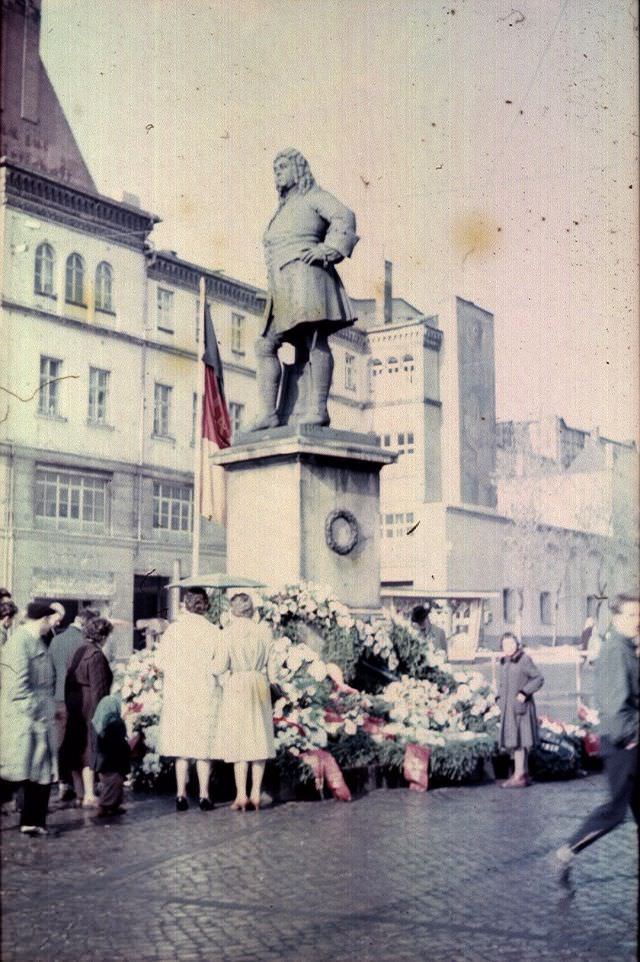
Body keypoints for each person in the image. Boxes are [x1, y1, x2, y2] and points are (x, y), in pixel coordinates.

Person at [250, 148, 359, 430]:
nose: (278, 174)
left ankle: (318, 408)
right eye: (275, 169)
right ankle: (268, 413)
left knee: (313, 340)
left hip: (308, 278)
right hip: (283, 286)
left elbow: (344, 216)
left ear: (298, 169)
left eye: (283, 167)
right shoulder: (284, 207)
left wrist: (330, 248)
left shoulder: (314, 197)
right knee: (265, 345)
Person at [554, 594, 639, 881]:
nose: (638, 621)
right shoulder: (617, 650)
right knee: (615, 810)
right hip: (624, 743)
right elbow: (616, 704)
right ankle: (567, 851)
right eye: (632, 615)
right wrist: (629, 735)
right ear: (616, 618)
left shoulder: (626, 647)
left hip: (628, 739)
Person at [156, 588, 223, 812]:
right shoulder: (214, 631)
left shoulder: (173, 631)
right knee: (203, 745)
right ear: (205, 605)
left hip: (179, 692)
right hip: (204, 691)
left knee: (182, 745)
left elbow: (161, 662)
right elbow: (219, 665)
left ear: (185, 604)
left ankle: (180, 794)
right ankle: (204, 794)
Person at [212, 593, 276, 811]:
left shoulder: (227, 633)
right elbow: (273, 669)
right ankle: (256, 793)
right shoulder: (264, 632)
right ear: (252, 610)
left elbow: (219, 666)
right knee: (258, 737)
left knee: (239, 738)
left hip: (237, 684)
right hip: (258, 682)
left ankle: (241, 795)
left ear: (232, 611)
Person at [0, 602, 58, 835]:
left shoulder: (36, 641)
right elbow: (17, 689)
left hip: (38, 718)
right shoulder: (19, 644)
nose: (52, 624)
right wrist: (37, 710)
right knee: (13, 774)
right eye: (50, 620)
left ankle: (32, 821)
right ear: (42, 620)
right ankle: (31, 820)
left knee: (40, 772)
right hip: (23, 720)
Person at [60, 616, 114, 807]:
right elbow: (100, 689)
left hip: (75, 703)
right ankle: (90, 794)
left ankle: (80, 793)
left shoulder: (78, 650)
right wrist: (104, 715)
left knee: (76, 749)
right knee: (90, 749)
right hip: (90, 705)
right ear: (103, 636)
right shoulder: (96, 655)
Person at [49, 608, 98, 800]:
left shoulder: (56, 640)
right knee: (79, 744)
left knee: (62, 742)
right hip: (77, 700)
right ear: (87, 624)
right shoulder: (84, 643)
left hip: (57, 698)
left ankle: (63, 783)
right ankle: (81, 788)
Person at [496, 631, 544, 788]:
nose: (508, 647)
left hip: (520, 707)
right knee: (515, 739)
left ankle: (519, 776)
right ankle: (523, 773)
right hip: (508, 708)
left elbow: (538, 678)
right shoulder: (504, 661)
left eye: (511, 643)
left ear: (517, 644)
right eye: (505, 644)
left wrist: (524, 692)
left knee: (519, 741)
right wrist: (498, 698)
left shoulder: (524, 659)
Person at [92, 694, 131, 817]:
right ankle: (104, 806)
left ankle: (113, 806)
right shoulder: (116, 724)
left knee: (112, 786)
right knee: (113, 786)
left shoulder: (99, 724)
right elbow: (120, 743)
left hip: (104, 763)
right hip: (113, 763)